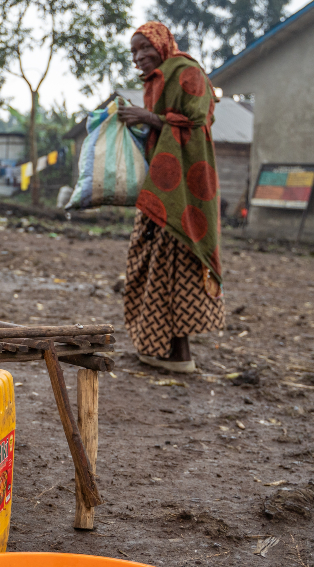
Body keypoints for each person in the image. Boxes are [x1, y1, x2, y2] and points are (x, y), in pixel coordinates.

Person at [116, 22, 224, 373]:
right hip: (159, 187)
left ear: (162, 44)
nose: (138, 57)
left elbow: (196, 124)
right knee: (150, 263)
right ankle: (161, 349)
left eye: (144, 47)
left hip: (183, 191)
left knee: (175, 262)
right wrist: (144, 119)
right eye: (133, 52)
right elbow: (166, 123)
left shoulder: (187, 71)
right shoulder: (157, 80)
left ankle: (179, 355)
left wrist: (149, 117)